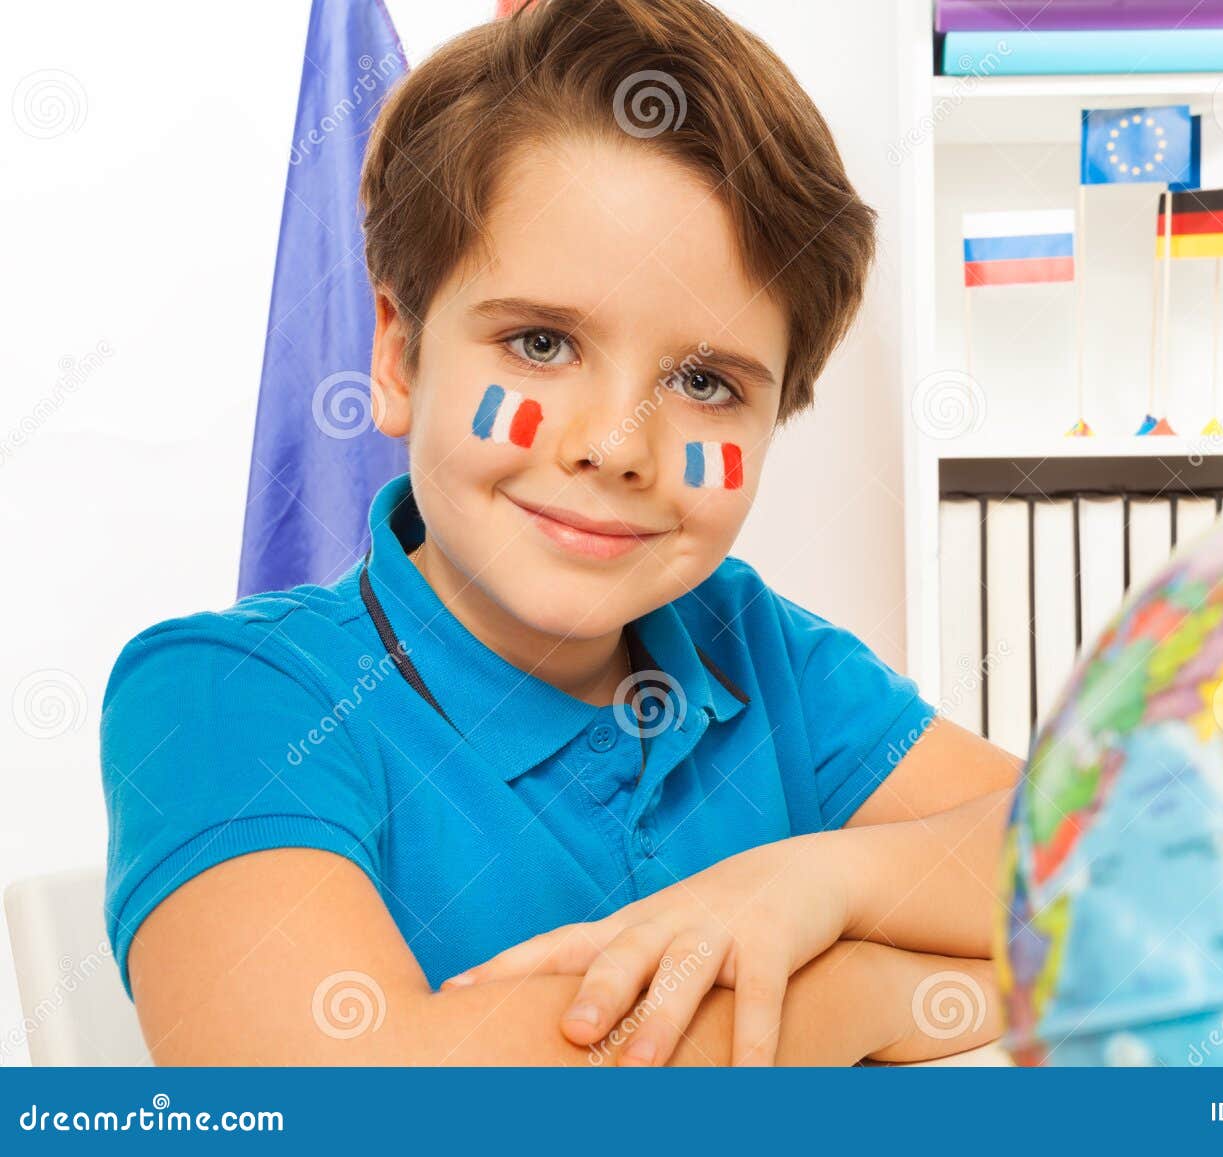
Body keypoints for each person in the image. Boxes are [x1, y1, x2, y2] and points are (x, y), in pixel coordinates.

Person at [100, 0, 1021, 1065]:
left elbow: (1138, 867)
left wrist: (818, 884)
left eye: (704, 380)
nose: (614, 444)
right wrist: (846, 994)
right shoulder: (229, 694)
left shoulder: (757, 656)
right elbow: (335, 1102)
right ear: (396, 359)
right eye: (540, 341)